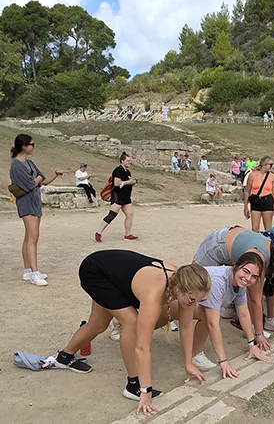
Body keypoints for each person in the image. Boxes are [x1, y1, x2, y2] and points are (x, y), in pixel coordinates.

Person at [54, 251, 211, 415]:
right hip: (95, 272)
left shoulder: (184, 283)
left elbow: (186, 327)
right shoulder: (154, 294)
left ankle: (64, 357)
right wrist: (146, 390)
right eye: (193, 299)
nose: (195, 304)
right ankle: (133, 385)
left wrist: (188, 364)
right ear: (179, 289)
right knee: (132, 322)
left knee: (98, 325)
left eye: (198, 300)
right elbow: (142, 347)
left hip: (112, 273)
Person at [193, 229, 274, 351]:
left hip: (237, 247)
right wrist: (259, 334)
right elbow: (255, 299)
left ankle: (226, 311)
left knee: (229, 288)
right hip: (218, 244)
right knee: (194, 284)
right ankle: (173, 315)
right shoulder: (259, 258)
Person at [192, 253, 268, 376]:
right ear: (235, 266)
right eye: (246, 271)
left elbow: (243, 313)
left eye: (254, 276)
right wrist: (223, 361)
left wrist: (252, 344)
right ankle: (195, 354)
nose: (248, 278)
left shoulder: (240, 282)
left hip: (192, 300)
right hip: (178, 300)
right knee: (208, 318)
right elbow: (213, 324)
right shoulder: (218, 281)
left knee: (208, 315)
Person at [9, 134, 64, 286]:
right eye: (32, 144)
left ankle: (28, 270)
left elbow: (42, 180)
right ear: (23, 146)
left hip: (35, 201)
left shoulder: (30, 163)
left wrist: (54, 175)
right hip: (26, 202)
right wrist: (38, 179)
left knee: (29, 237)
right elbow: (30, 184)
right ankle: (34, 272)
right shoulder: (16, 165)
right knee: (33, 237)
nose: (34, 147)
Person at [95, 152, 138, 243]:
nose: (130, 162)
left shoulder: (127, 171)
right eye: (128, 161)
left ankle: (127, 234)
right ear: (122, 161)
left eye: (130, 161)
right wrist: (129, 182)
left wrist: (132, 183)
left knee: (130, 215)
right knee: (112, 215)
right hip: (118, 196)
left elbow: (126, 184)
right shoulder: (118, 170)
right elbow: (117, 183)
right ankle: (99, 233)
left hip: (126, 197)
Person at [243, 156, 274, 232]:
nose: (271, 167)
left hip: (267, 200)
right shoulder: (252, 175)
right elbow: (247, 191)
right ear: (263, 165)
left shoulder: (273, 176)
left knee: (268, 229)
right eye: (270, 164)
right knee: (255, 228)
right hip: (256, 201)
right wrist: (245, 207)